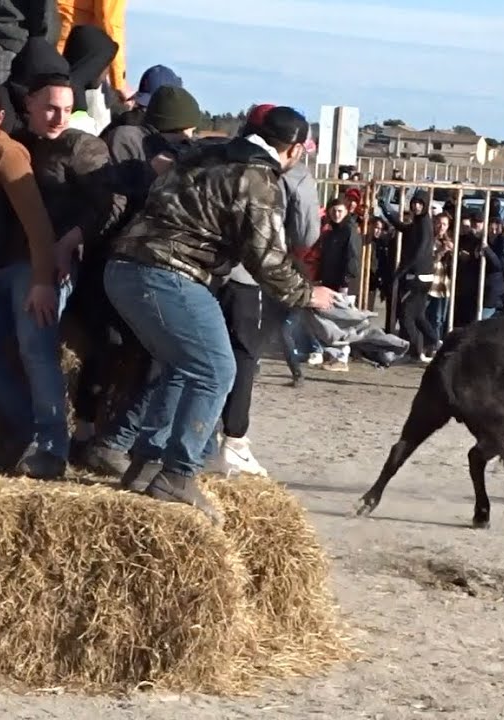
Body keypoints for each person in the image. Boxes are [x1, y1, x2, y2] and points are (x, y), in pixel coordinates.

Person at [103, 106, 334, 523]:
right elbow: (267, 258)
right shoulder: (257, 179)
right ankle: (179, 473)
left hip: (123, 266)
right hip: (169, 272)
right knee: (216, 371)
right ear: (296, 150)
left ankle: (148, 464)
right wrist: (307, 294)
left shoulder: (207, 153)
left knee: (182, 366)